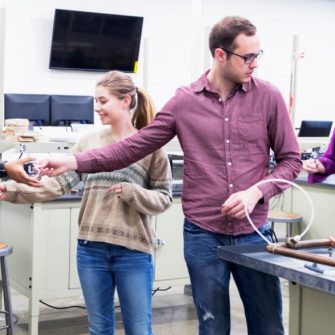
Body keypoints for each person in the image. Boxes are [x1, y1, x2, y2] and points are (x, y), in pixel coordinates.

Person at [36, 16, 302, 335]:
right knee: (212, 327)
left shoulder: (268, 97)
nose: (254, 64)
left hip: (253, 232)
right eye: (247, 57)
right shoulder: (184, 102)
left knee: (269, 326)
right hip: (203, 236)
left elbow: (290, 160)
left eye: (258, 55)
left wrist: (256, 192)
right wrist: (73, 161)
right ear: (220, 55)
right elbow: (132, 147)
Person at [0, 70, 172, 335]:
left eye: (103, 101)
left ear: (126, 101)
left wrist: (131, 192)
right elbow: (54, 185)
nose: (97, 107)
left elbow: (163, 198)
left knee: (139, 329)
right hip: (91, 251)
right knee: (99, 328)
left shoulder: (150, 147)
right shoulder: (88, 143)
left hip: (134, 252)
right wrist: (7, 188)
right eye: (95, 100)